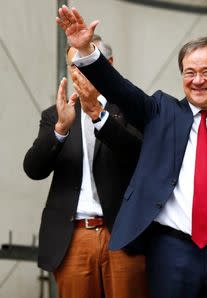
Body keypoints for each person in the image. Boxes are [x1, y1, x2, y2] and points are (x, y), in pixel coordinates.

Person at [55, 5, 207, 298]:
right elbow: (119, 89)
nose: (197, 80)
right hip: (171, 251)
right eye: (190, 72)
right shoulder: (161, 111)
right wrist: (85, 51)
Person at [23, 36, 148, 298]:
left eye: (88, 63)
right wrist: (60, 129)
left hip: (123, 236)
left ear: (109, 65)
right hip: (74, 236)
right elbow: (34, 169)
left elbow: (138, 155)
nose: (80, 72)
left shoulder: (132, 108)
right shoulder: (56, 114)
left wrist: (97, 115)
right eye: (74, 66)